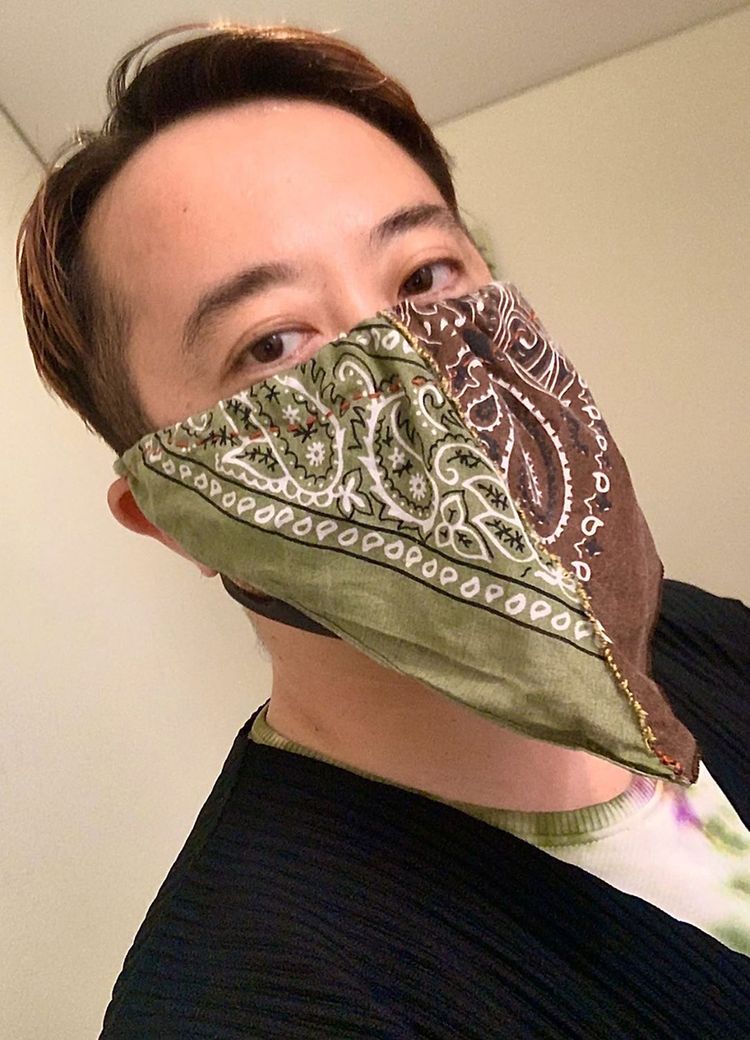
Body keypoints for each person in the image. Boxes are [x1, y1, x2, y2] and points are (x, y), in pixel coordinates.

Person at [17, 23, 750, 1039]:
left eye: (425, 277)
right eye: (274, 343)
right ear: (174, 517)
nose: (417, 365)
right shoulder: (255, 1003)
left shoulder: (691, 634)